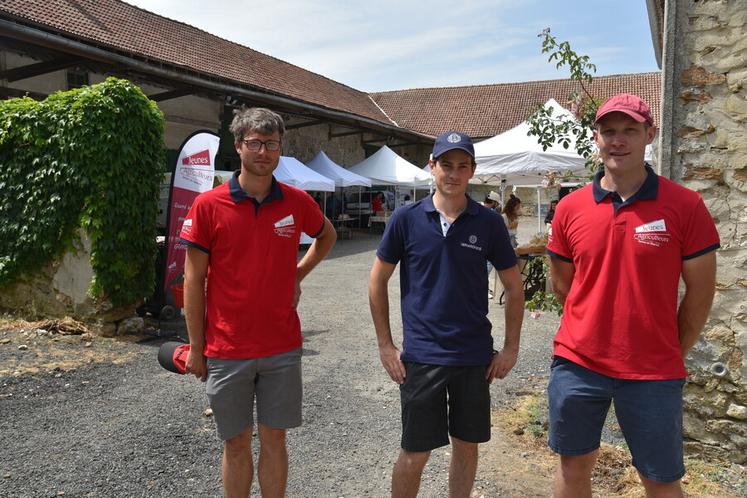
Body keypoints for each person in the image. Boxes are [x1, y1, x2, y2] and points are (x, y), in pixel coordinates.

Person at [546, 93, 719, 498]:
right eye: (609, 131)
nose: (618, 140)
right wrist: (590, 324)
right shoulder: (570, 208)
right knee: (573, 465)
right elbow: (561, 285)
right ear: (596, 138)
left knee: (660, 478)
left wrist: (672, 349)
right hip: (578, 363)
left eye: (629, 130)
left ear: (649, 135)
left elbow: (701, 293)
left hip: (653, 370)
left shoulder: (685, 205)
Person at [179, 107, 337, 498]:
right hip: (227, 348)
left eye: (271, 143)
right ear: (239, 146)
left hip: (281, 346)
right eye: (255, 143)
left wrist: (297, 274)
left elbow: (326, 236)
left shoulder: (297, 202)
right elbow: (193, 280)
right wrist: (197, 348)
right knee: (234, 443)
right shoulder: (209, 206)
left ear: (280, 148)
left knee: (274, 440)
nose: (263, 151)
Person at [368, 131, 525, 498]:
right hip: (422, 357)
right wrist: (386, 346)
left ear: (472, 171)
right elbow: (376, 283)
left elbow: (514, 288)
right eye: (446, 165)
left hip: (473, 357)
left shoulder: (488, 223)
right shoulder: (406, 219)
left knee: (466, 446)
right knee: (414, 452)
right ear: (432, 166)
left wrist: (511, 349)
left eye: (462, 166)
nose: (453, 174)